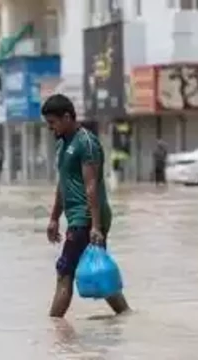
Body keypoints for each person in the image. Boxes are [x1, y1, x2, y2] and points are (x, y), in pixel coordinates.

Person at [41, 94, 131, 318]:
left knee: (64, 272)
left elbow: (91, 186)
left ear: (67, 117)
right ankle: (127, 316)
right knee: (99, 272)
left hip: (87, 217)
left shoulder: (86, 143)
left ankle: (54, 329)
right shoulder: (63, 146)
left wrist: (96, 226)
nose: (51, 129)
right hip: (77, 218)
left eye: (53, 123)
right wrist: (54, 218)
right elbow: (63, 185)